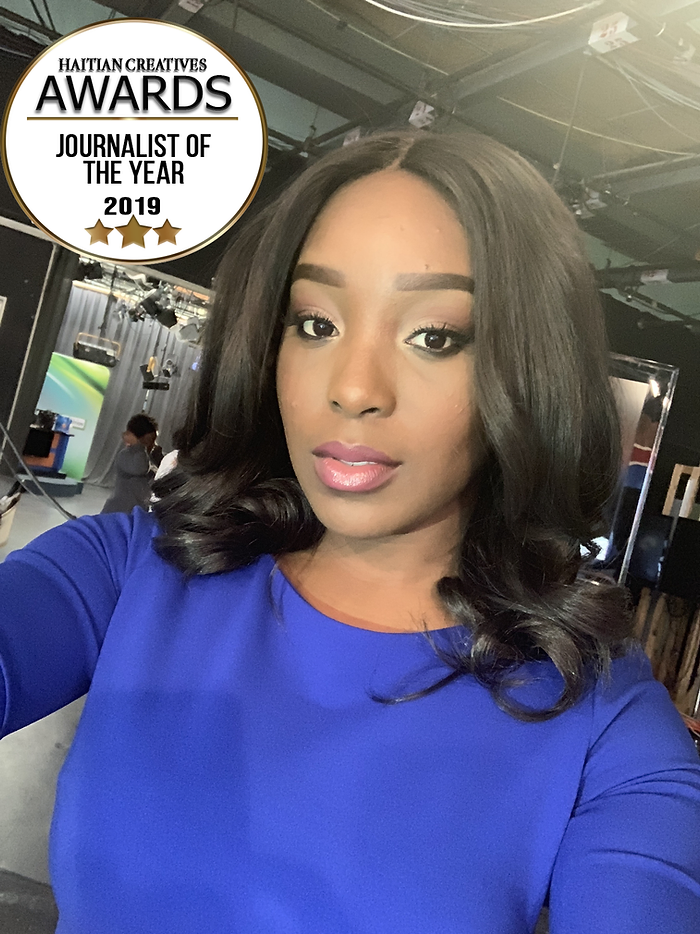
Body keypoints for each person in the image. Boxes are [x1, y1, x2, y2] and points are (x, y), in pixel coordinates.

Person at [1, 130, 699, 934]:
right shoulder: (124, 575)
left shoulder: (604, 722)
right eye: (316, 324)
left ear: (530, 371)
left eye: (434, 336)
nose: (354, 387)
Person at [100, 412, 161, 514]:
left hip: (136, 513)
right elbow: (141, 468)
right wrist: (140, 446)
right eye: (150, 440)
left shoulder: (147, 457)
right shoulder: (126, 455)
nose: (154, 444)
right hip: (118, 513)